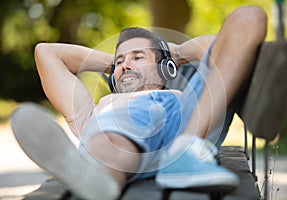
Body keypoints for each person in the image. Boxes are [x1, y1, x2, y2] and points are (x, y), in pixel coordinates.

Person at [11, 6, 267, 200]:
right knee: (113, 121)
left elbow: (225, 46)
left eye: (137, 57)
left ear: (166, 69)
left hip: (184, 132)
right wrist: (118, 64)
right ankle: (100, 178)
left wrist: (174, 54)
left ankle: (183, 154)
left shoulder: (188, 101)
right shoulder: (100, 107)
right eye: (119, 61)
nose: (124, 64)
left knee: (250, 15)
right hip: (114, 143)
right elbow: (46, 52)